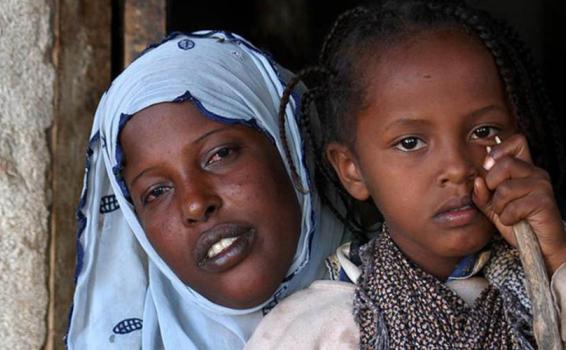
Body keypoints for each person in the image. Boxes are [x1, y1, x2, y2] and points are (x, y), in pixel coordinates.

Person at [245, 1, 566, 349]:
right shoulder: (317, 329)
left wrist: (554, 254)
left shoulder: (546, 283)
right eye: (411, 142)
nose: (457, 166)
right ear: (352, 170)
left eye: (484, 131)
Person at [65, 31, 345, 349]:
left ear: (291, 149)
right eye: (156, 191)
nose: (196, 204)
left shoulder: (399, 308)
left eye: (220, 155)